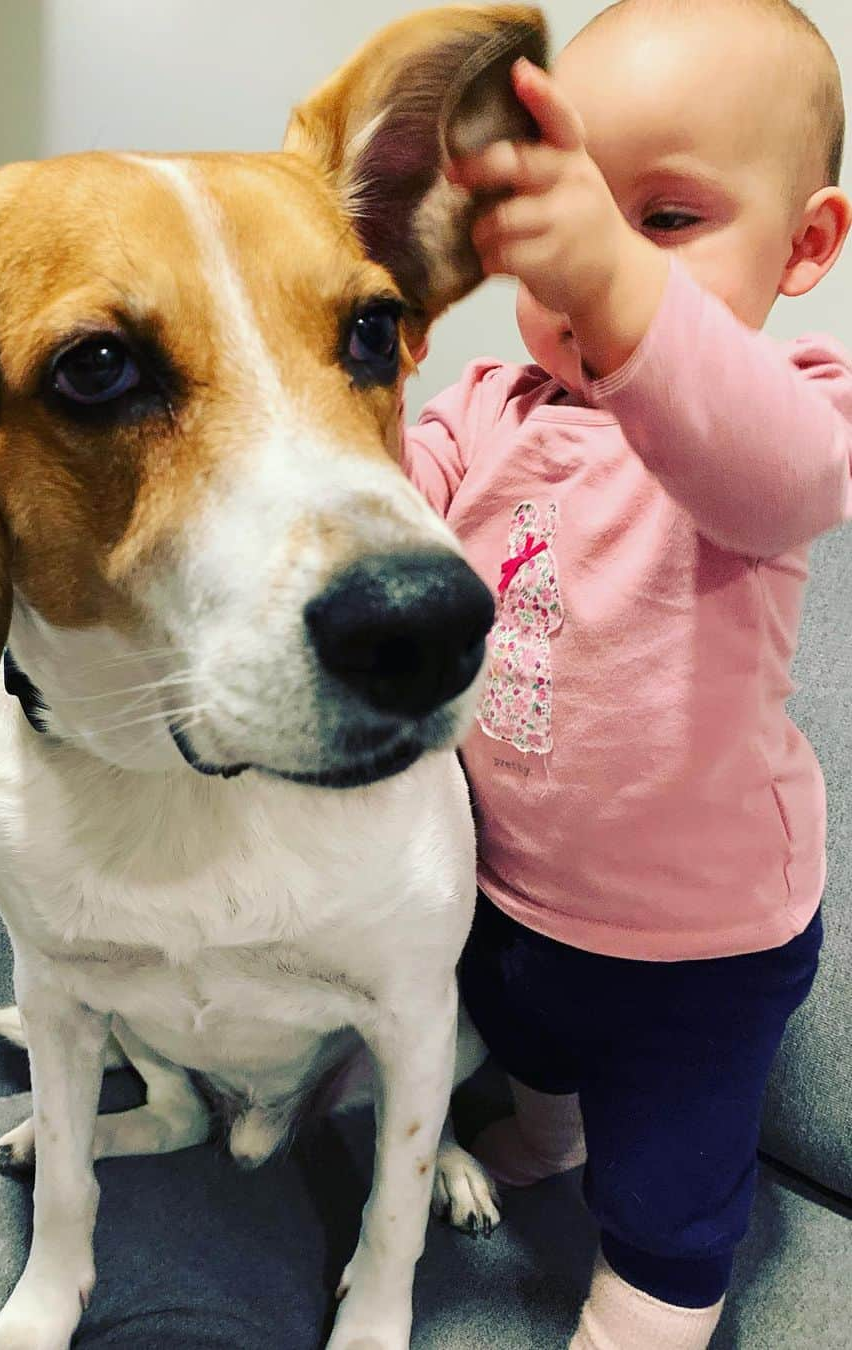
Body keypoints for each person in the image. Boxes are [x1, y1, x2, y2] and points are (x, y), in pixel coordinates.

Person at [401, 2, 852, 1345]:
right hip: (506, 892)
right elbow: (383, 525)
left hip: (698, 950)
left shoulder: (796, 407)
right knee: (533, 1065)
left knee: (664, 1207)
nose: (591, 266)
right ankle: (546, 1129)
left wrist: (618, 287)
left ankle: (641, 1306)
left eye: (662, 221)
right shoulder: (490, 405)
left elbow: (772, 469)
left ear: (806, 243)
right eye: (571, 221)